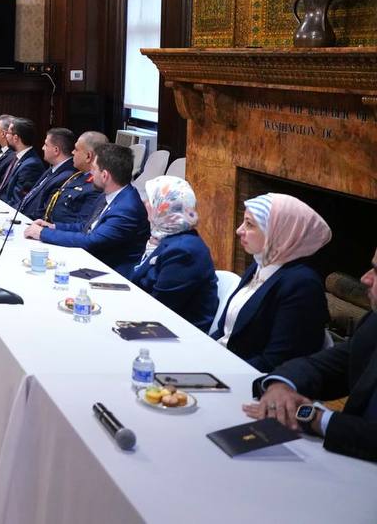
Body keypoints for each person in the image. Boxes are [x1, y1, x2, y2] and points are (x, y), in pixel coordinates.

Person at [244, 243, 377, 462]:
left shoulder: (300, 282)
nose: (365, 279)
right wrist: (282, 385)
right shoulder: (373, 323)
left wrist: (313, 417)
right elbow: (326, 365)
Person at [211, 193, 331, 372]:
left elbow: (276, 362)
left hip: (249, 378)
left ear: (280, 232)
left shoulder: (302, 285)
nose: (239, 230)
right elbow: (225, 332)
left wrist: (218, 370)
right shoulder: (260, 265)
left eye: (249, 224)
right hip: (223, 363)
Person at [24, 142, 149, 277]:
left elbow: (91, 241)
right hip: (93, 263)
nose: (91, 173)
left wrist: (43, 233)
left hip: (111, 274)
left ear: (105, 175)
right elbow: (86, 227)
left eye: (94, 169)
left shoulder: (127, 208)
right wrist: (53, 227)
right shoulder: (109, 195)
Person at [129, 176, 219, 331]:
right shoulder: (164, 238)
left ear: (165, 208)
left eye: (151, 200)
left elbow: (160, 308)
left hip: (178, 334)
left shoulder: (184, 251)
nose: (145, 203)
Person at [41, 130, 106, 225]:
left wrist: (49, 229)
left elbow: (82, 226)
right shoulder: (77, 175)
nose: (72, 152)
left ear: (88, 156)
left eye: (76, 149)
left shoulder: (96, 186)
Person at [18, 127, 78, 220]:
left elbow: (45, 211)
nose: (42, 148)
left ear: (56, 150)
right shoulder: (53, 168)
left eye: (46, 145)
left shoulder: (66, 176)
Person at [0, 117, 45, 205]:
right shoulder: (17, 157)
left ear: (16, 138)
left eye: (8, 133)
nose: (6, 136)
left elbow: (17, 201)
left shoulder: (31, 165)